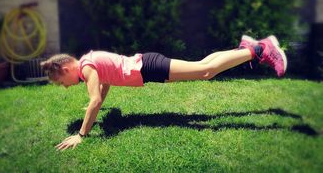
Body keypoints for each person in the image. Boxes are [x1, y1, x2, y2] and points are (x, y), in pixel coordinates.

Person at [41, 34, 287, 151]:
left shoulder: (87, 67)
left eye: (61, 82)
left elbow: (95, 99)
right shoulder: (89, 62)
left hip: (149, 67)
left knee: (204, 71)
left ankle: (260, 49)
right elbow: (104, 86)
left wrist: (82, 134)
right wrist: (97, 105)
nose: (64, 86)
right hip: (147, 67)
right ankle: (246, 47)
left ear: (65, 69)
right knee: (204, 68)